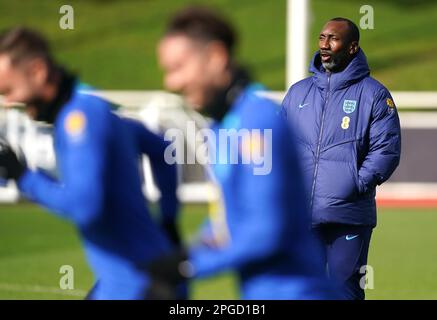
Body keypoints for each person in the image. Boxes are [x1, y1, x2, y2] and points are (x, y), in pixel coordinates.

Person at [150, 6, 333, 299]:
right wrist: (182, 256)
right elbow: (228, 221)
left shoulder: (256, 122)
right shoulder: (220, 125)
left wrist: (187, 267)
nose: (171, 82)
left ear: (216, 57)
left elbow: (266, 231)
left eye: (178, 67)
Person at [0, 27, 182, 299]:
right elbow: (162, 149)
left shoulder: (79, 119)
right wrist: (168, 222)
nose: (7, 101)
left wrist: (22, 175)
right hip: (142, 279)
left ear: (38, 72)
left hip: (138, 287)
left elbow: (85, 206)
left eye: (8, 89)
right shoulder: (89, 109)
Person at [281, 17, 401, 300]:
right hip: (301, 216)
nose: (325, 45)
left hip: (347, 216)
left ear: (352, 47)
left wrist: (354, 184)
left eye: (333, 39)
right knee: (298, 291)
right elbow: (278, 146)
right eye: (322, 38)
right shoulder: (298, 92)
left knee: (344, 293)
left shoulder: (374, 94)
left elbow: (387, 151)